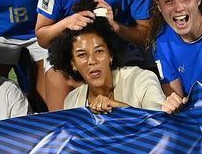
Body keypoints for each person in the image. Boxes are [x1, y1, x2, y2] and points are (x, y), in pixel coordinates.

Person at [49, 9, 182, 113]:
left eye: (99, 51)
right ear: (73, 64)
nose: (92, 61)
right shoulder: (72, 101)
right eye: (82, 55)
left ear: (110, 55)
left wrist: (121, 109)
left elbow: (159, 122)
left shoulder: (141, 79)